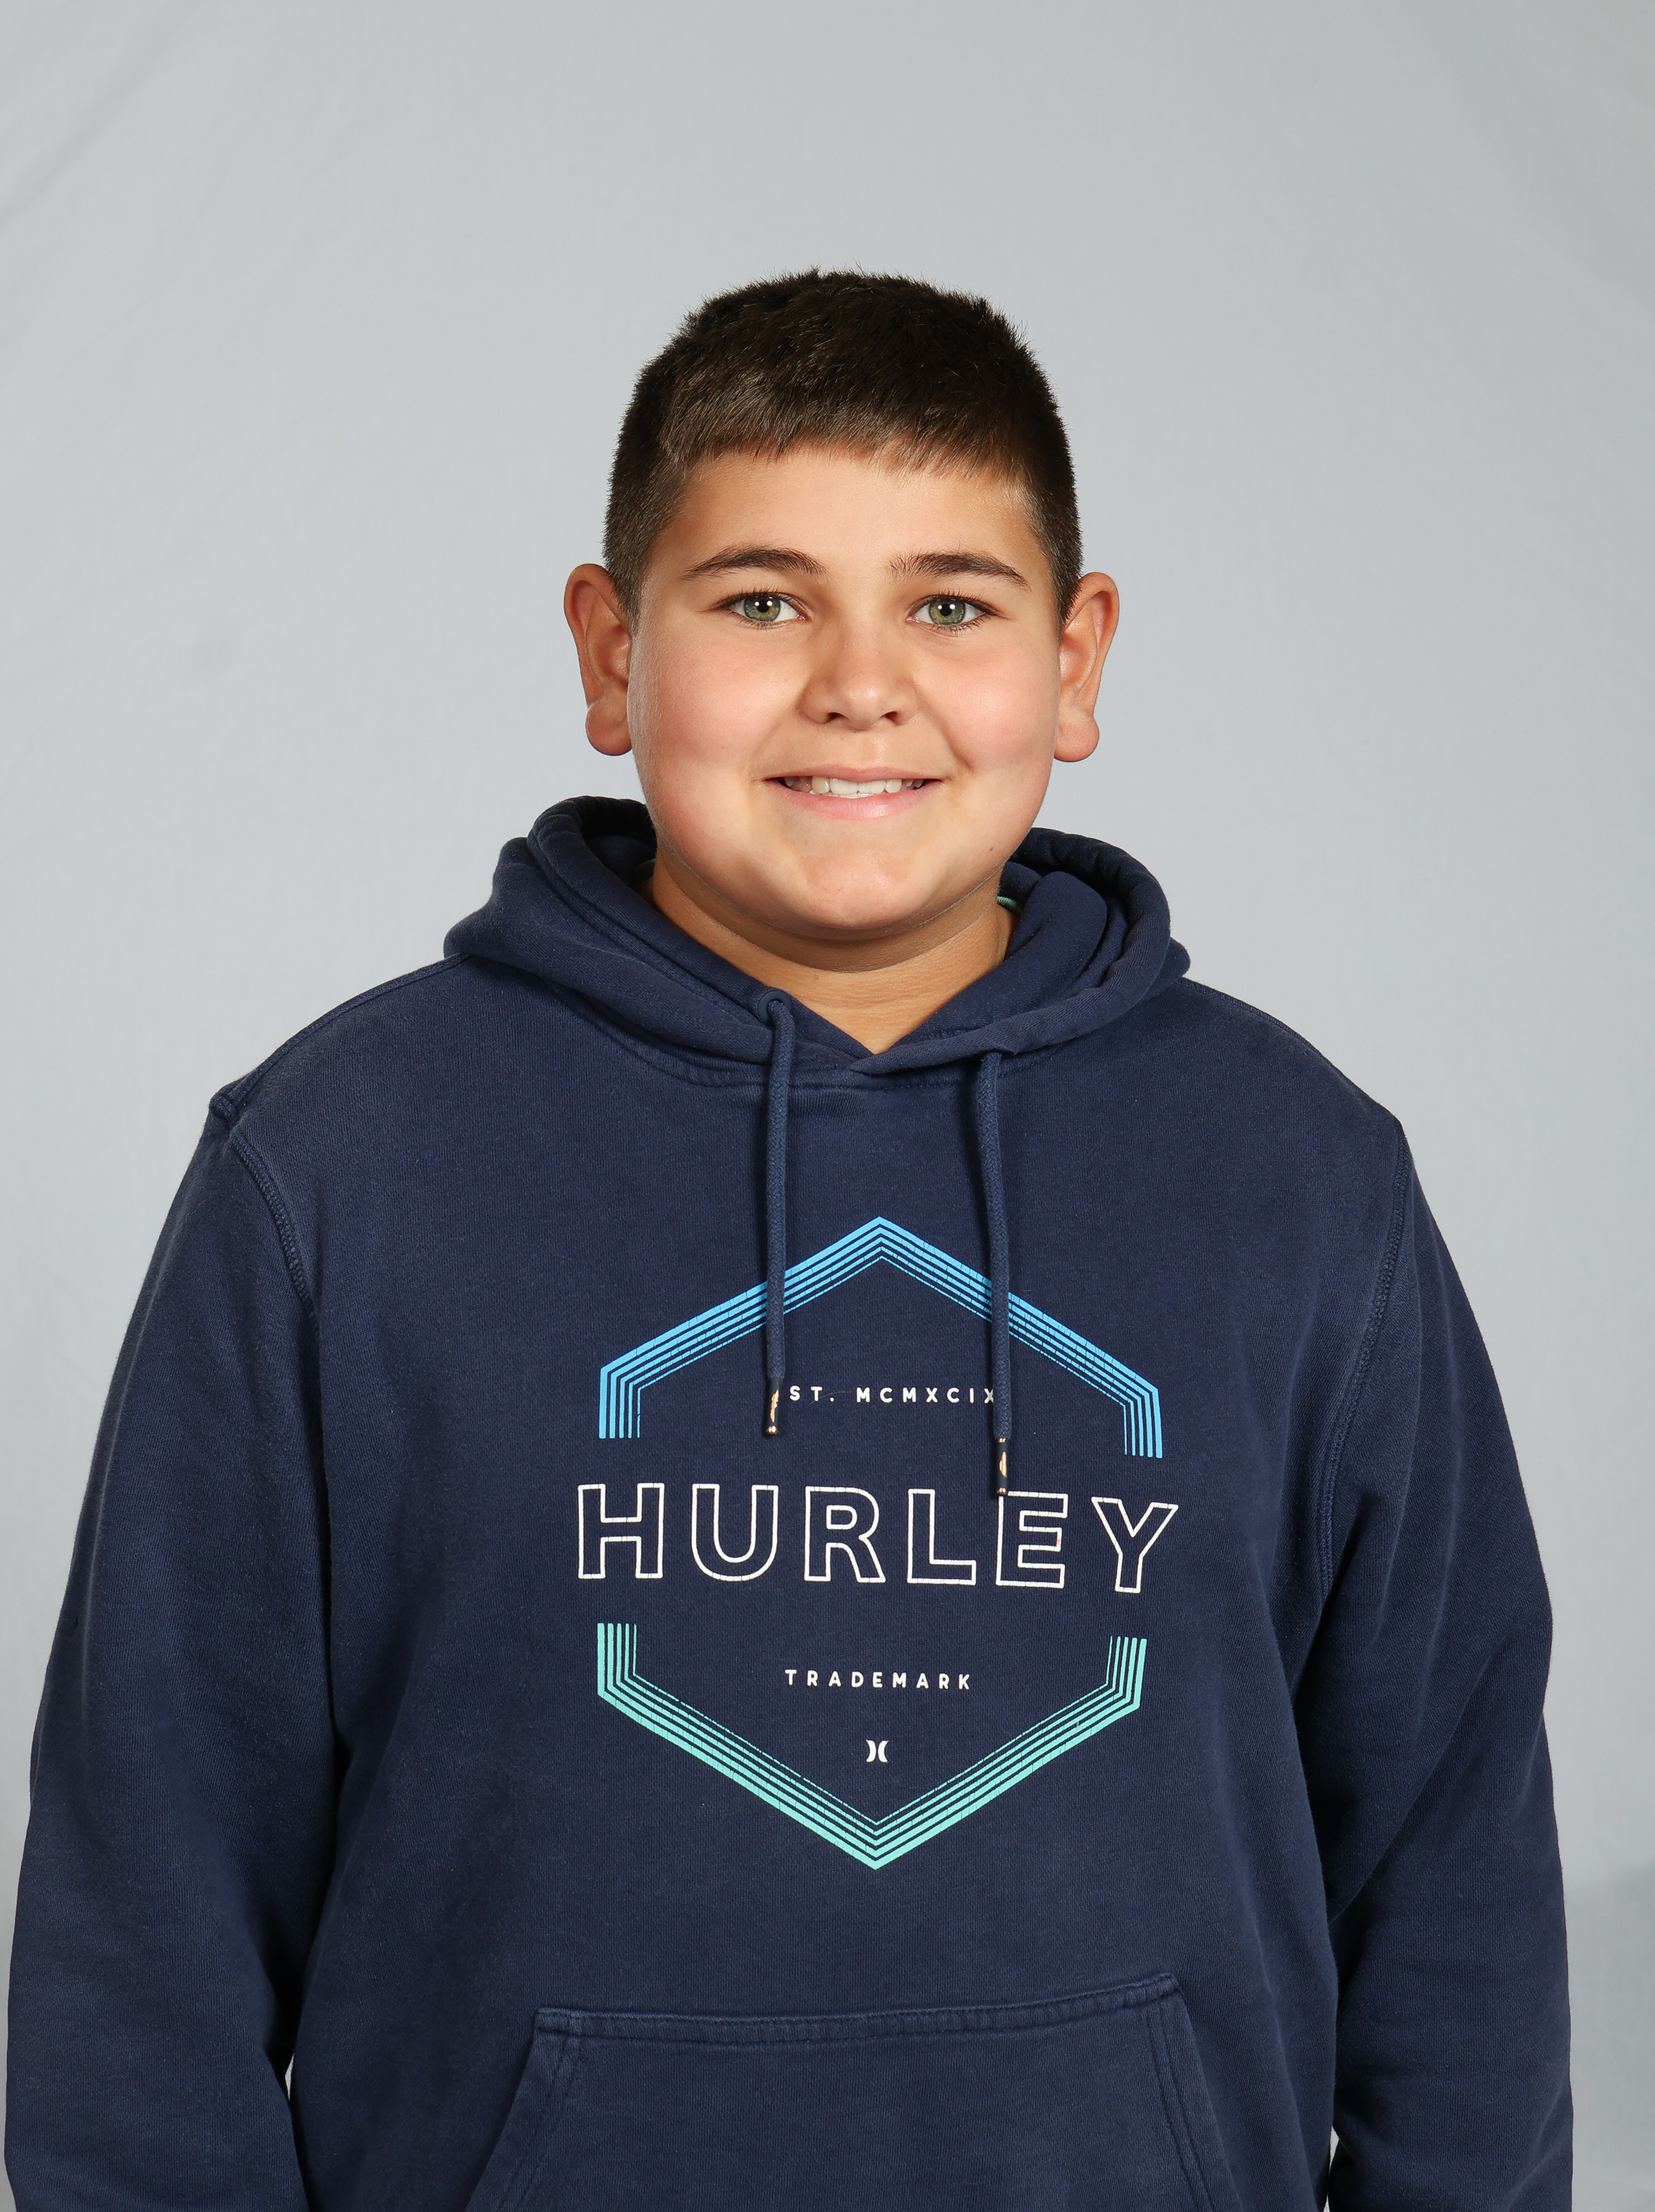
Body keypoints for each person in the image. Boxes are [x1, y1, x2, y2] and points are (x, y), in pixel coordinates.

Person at [6, 273, 1569, 2209]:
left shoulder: (1299, 1177)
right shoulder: (339, 1167)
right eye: (762, 602)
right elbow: (145, 1902)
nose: (859, 684)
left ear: (1076, 660)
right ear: (610, 653)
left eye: (952, 606)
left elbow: (1454, 1854)